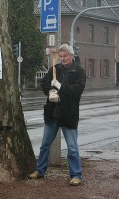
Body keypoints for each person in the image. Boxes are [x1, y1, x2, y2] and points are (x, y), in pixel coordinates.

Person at [28, 44, 86, 186]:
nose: (63, 58)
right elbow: (45, 83)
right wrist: (50, 92)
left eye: (65, 56)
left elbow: (77, 91)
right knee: (44, 145)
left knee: (72, 148)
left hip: (68, 114)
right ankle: (40, 170)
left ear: (71, 55)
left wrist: (60, 87)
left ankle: (76, 175)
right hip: (52, 113)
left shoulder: (79, 71)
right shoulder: (55, 68)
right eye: (61, 56)